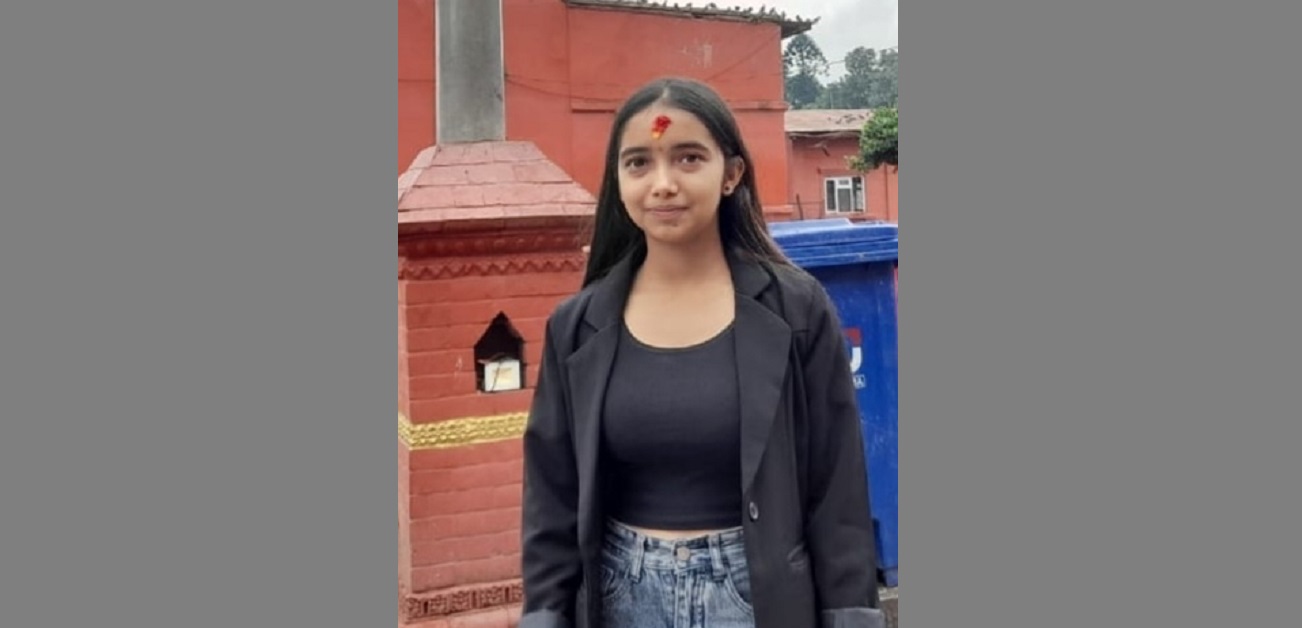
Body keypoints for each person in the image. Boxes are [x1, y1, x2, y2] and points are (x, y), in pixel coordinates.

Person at [520, 77, 885, 628]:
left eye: (688, 158)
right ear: (618, 180)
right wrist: (545, 614)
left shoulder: (795, 311)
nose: (663, 184)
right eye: (638, 163)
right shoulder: (578, 327)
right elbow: (551, 496)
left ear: (731, 174)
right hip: (621, 596)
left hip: (757, 596)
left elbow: (837, 488)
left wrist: (851, 616)